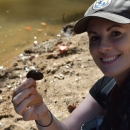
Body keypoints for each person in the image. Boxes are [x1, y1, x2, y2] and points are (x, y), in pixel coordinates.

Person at [12, 0, 130, 129]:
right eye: (95, 38)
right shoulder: (108, 85)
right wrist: (42, 114)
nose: (102, 47)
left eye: (116, 33)